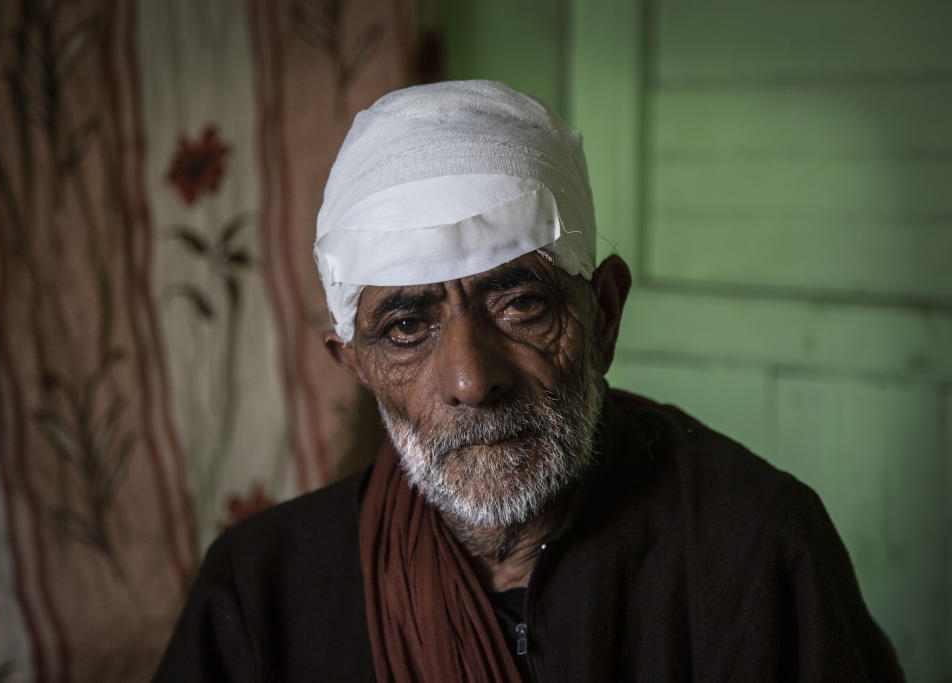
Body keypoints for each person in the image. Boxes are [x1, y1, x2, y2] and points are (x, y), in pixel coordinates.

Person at [154, 80, 903, 682]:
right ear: (357, 365)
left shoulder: (755, 550)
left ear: (603, 314)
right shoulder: (263, 593)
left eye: (520, 304)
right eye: (407, 328)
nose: (471, 378)